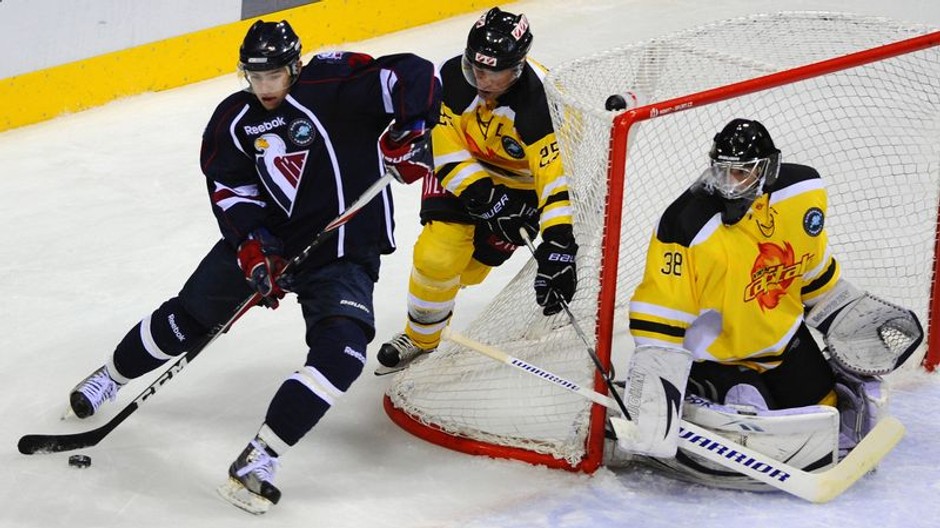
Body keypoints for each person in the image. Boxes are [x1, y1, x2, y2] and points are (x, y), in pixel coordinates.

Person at [66, 20, 441, 514]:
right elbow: (231, 190)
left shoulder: (335, 85)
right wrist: (253, 250)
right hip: (271, 245)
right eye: (255, 76)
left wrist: (411, 134)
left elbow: (414, 76)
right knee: (187, 319)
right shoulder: (234, 120)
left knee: (343, 354)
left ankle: (260, 458)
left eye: (274, 76)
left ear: (295, 66)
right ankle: (111, 377)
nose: (265, 88)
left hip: (342, 252)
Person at [612, 118, 922, 488]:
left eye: (741, 172)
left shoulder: (802, 195)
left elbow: (810, 271)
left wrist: (840, 309)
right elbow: (661, 314)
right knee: (756, 423)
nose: (729, 182)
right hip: (718, 358)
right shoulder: (685, 224)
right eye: (722, 170)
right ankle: (700, 390)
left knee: (825, 413)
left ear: (766, 169)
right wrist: (654, 392)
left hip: (782, 341)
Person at [375, 7, 578, 375]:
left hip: (523, 188)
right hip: (464, 171)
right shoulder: (451, 78)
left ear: (517, 69)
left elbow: (555, 180)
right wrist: (486, 196)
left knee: (470, 271)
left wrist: (559, 244)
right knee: (438, 257)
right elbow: (444, 147)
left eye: (493, 73)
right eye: (475, 67)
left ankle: (441, 301)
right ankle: (421, 337)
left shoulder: (543, 106)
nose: (481, 80)